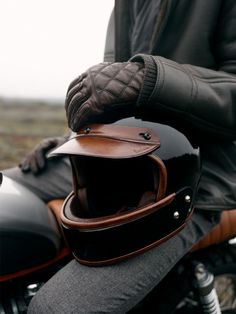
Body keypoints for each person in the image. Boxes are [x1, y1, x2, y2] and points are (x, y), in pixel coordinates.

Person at [3, 0, 236, 312]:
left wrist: (149, 80)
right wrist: (71, 138)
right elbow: (116, 100)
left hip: (196, 171)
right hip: (114, 159)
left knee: (57, 308)